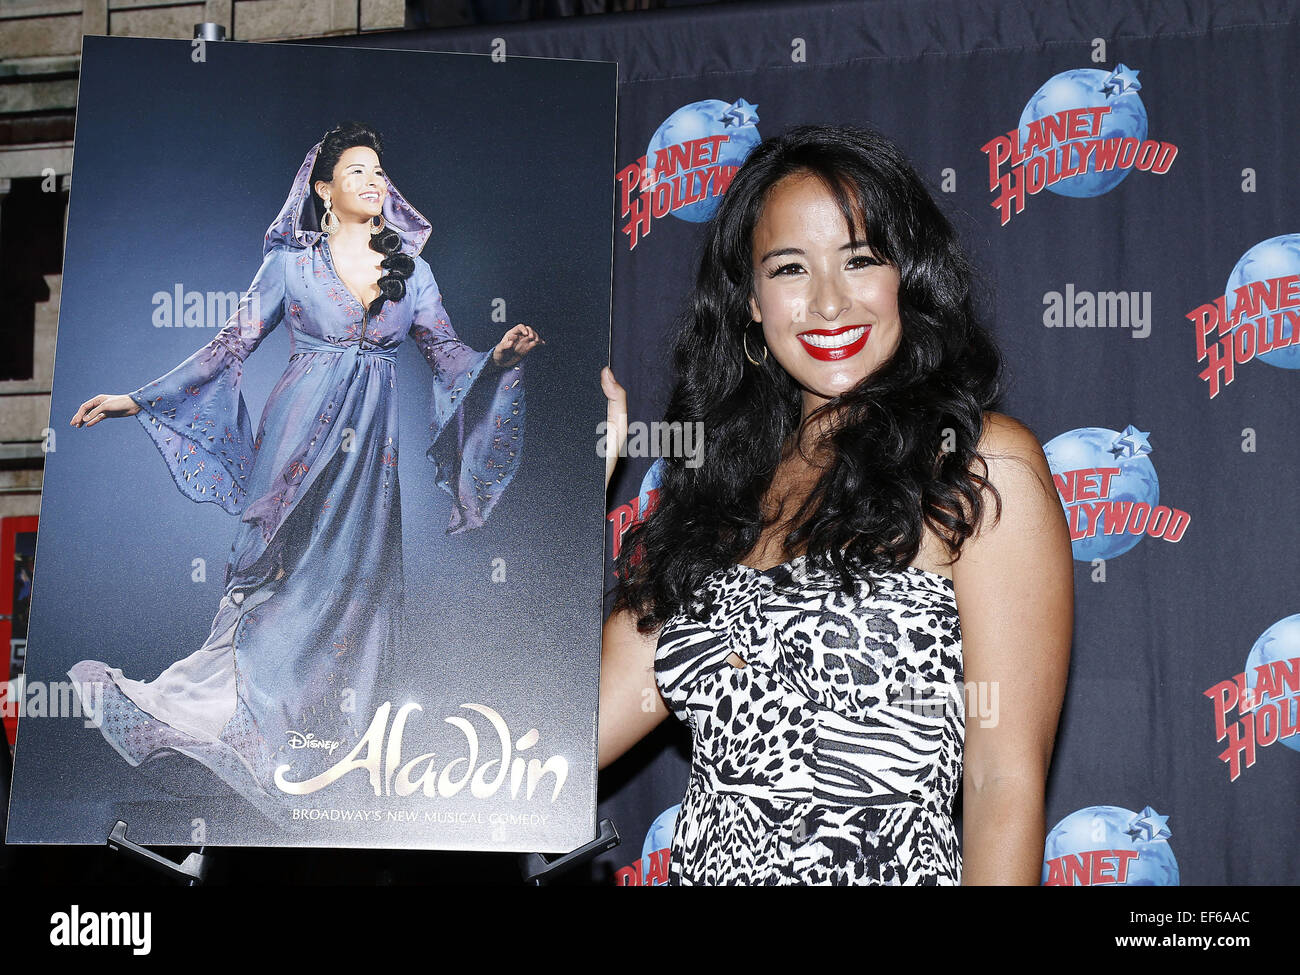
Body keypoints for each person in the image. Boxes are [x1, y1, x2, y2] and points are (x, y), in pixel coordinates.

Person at [597, 123, 1072, 885]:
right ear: (750, 300)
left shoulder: (979, 464)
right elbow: (568, 737)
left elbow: (1001, 784)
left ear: (905, 277)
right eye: (790, 268)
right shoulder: (716, 489)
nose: (827, 303)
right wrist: (560, 484)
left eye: (859, 260)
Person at [66, 122, 541, 820]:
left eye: (380, 172)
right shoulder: (290, 265)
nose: (375, 182)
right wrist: (135, 399)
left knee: (357, 600)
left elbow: (448, 359)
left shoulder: (412, 272)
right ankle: (230, 736)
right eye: (357, 172)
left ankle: (326, 782)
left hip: (368, 472)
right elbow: (229, 346)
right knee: (276, 595)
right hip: (293, 450)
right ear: (323, 188)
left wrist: (497, 360)